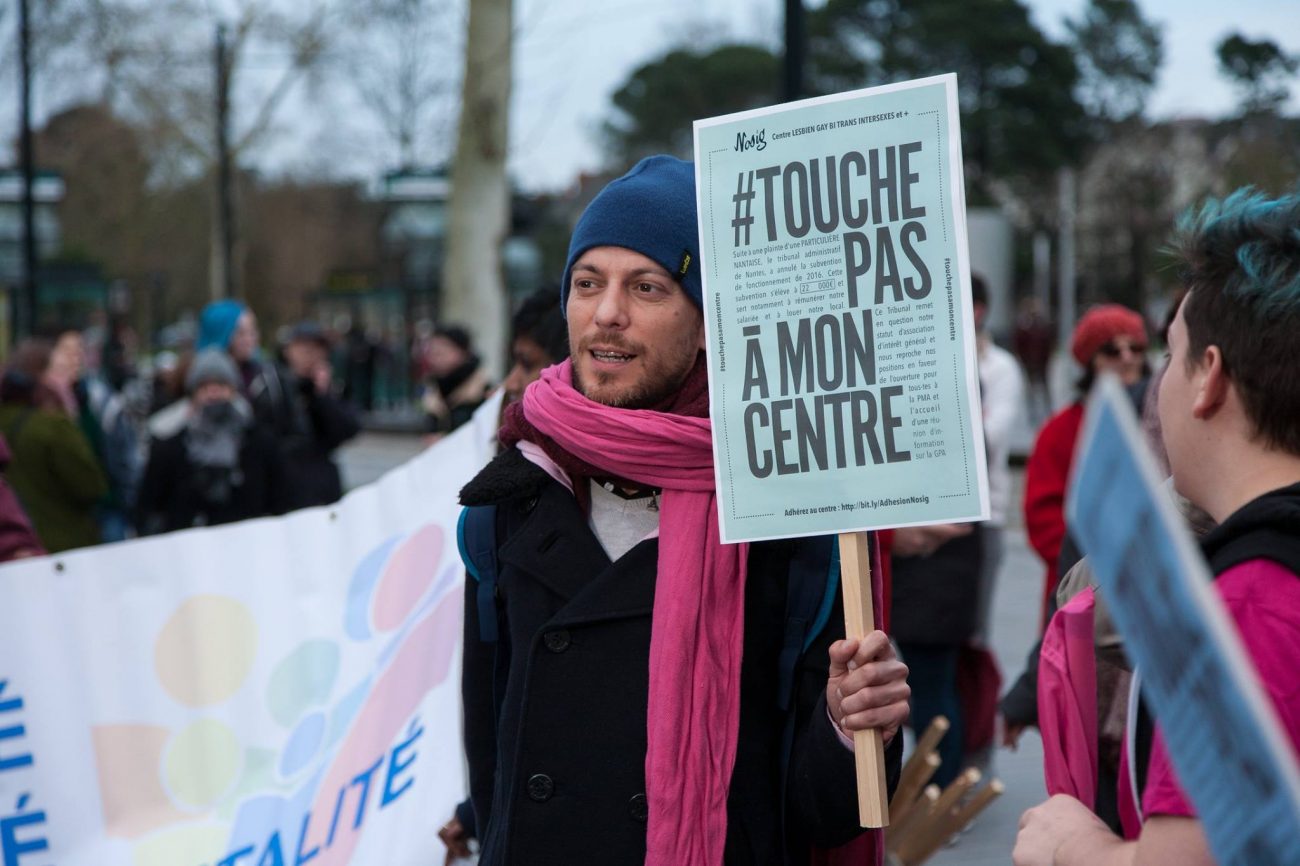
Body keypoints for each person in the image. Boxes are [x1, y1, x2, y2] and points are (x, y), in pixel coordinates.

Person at [455, 155, 909, 866]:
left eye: (647, 286)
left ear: (709, 325)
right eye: (587, 283)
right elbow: (494, 774)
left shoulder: (794, 525)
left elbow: (820, 817)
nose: (606, 312)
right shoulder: (509, 499)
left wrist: (851, 727)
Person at [1014, 188, 1300, 865]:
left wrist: (1073, 843)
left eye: (1170, 354)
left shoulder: (1249, 602)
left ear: (1209, 378)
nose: (1154, 382)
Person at [1002, 303, 1148, 747]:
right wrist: (1087, 559)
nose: (1126, 357)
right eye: (1111, 349)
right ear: (1088, 362)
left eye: (1135, 347)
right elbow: (1042, 517)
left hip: (1139, 596)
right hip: (1076, 585)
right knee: (1075, 707)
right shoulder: (1060, 430)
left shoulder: (1157, 420)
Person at [135, 349, 285, 535]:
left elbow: (281, 499)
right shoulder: (171, 447)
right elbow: (149, 507)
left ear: (233, 390)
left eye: (221, 385)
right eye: (204, 386)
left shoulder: (258, 442)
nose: (213, 393)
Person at [0, 339, 108, 553]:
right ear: (38, 377)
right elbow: (92, 486)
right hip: (62, 547)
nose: (68, 376)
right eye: (57, 370)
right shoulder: (54, 425)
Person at [274, 322, 362, 508]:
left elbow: (348, 428)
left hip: (322, 485)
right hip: (285, 485)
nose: (310, 353)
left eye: (317, 348)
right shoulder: (274, 384)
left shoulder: (332, 388)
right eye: (303, 346)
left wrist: (323, 395)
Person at [422, 325, 490, 435]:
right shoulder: (434, 393)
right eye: (432, 353)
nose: (434, 359)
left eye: (440, 352)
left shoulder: (485, 394)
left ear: (462, 353)